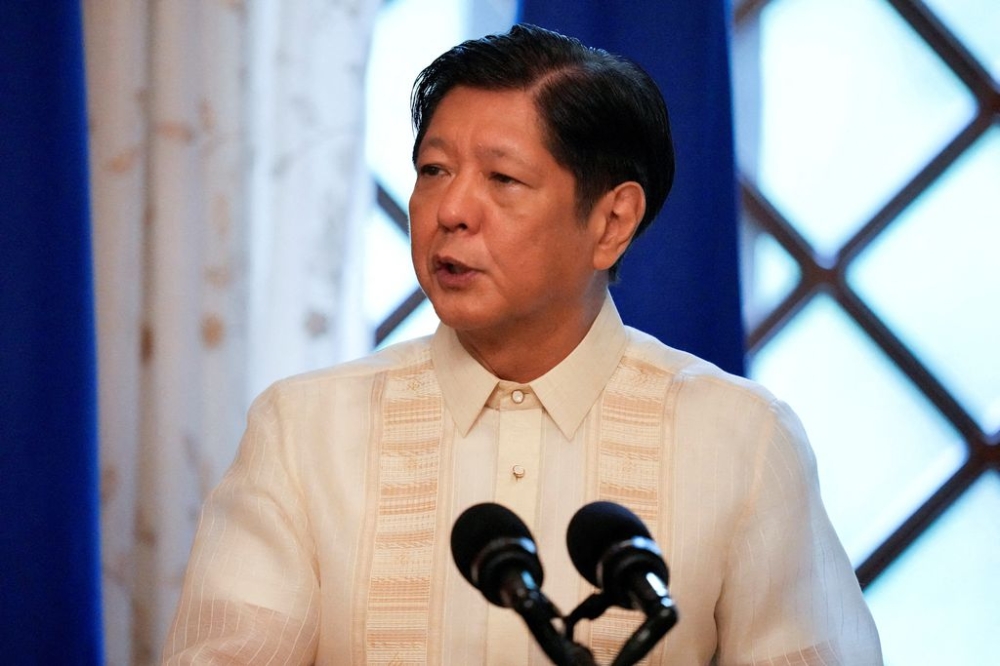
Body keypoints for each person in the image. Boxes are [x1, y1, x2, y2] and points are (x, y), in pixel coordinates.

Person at [163, 23, 882, 665]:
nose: (450, 211)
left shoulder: (744, 441)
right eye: (433, 170)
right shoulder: (303, 430)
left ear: (611, 222)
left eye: (503, 179)